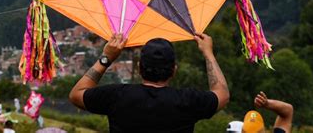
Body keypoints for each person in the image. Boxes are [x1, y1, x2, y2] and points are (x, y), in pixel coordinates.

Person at [69, 33, 229, 132]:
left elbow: (76, 94)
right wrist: (208, 54)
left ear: (139, 68)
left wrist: (106, 58)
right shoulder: (188, 101)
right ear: (174, 70)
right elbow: (222, 94)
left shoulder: (117, 96)